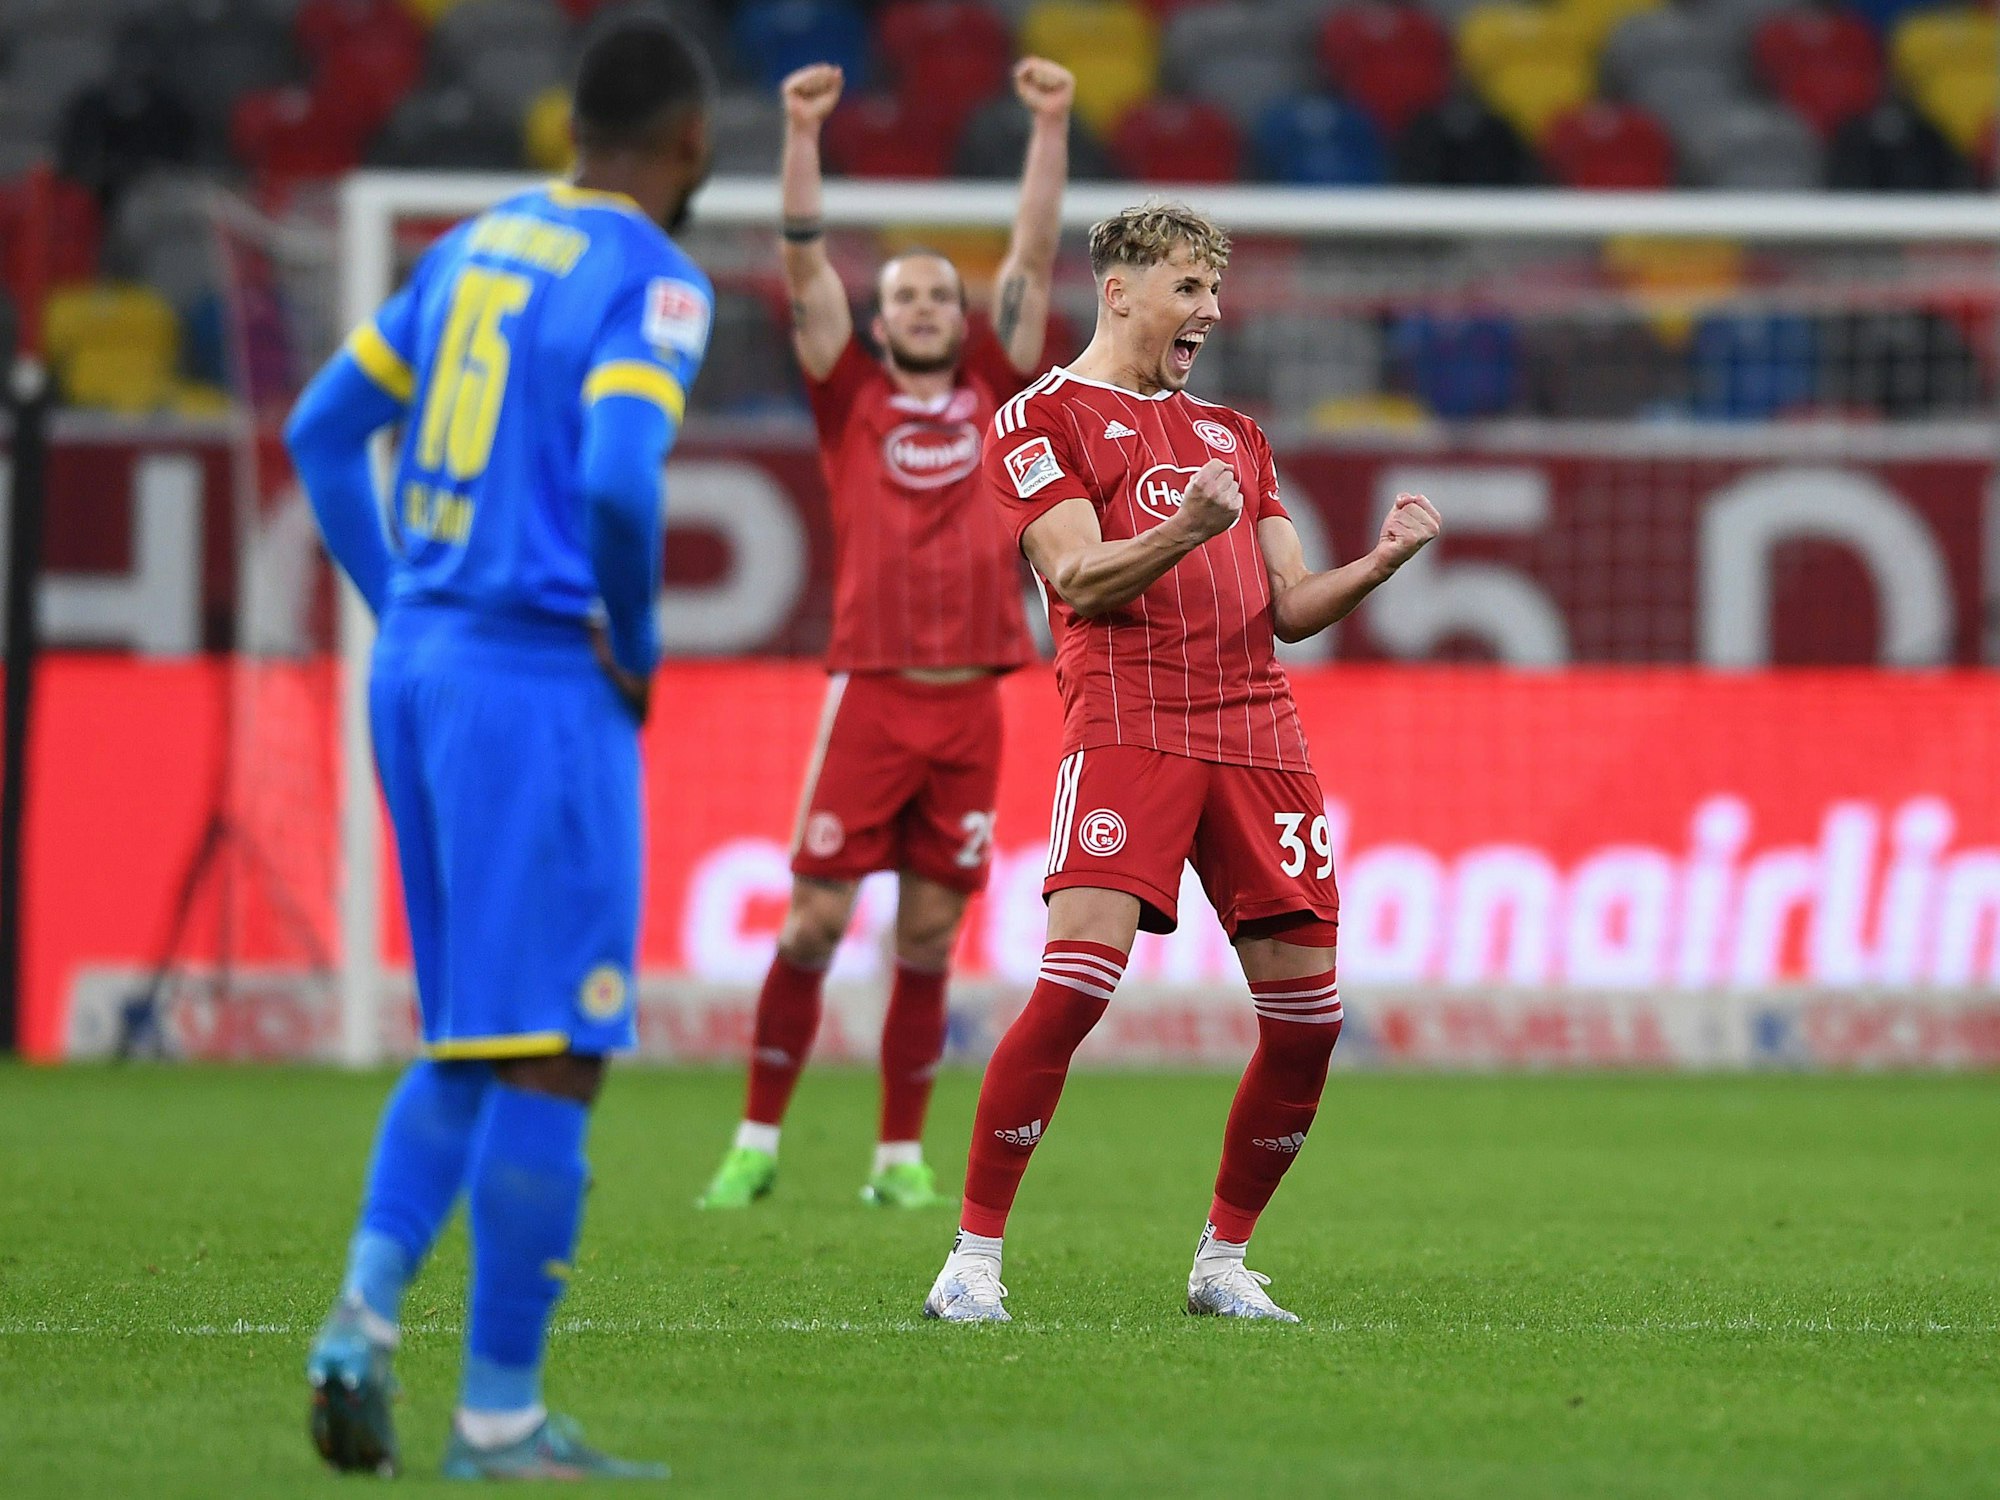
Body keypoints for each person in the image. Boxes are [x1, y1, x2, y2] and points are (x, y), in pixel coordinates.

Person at [284, 16, 715, 1477]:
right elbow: (616, 481)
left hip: (418, 670)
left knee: (479, 1025)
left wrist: (404, 596)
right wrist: (637, 648)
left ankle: (360, 1314)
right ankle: (501, 1417)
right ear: (690, 148)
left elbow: (321, 431)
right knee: (563, 1048)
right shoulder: (652, 279)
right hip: (535, 686)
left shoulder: (472, 243)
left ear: (568, 129)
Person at [922, 202, 1443, 1324]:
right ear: (1118, 291)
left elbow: (1291, 607)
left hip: (1259, 735)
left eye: (1211, 290)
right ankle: (969, 1260)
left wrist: (1382, 561)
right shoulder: (1038, 418)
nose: (1207, 311)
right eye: (1186, 290)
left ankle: (1221, 1262)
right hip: (1128, 726)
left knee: (1310, 1021)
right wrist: (1182, 533)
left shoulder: (1233, 438)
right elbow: (1076, 579)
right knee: (1074, 988)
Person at [696, 56, 1075, 1212]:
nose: (921, 307)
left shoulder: (998, 388)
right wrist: (799, 134)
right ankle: (756, 1139)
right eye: (903, 294)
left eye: (936, 296)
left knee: (926, 934)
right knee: (813, 919)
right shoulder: (845, 390)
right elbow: (800, 260)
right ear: (874, 317)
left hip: (972, 705)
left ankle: (897, 1161)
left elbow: (1034, 256)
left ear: (960, 320)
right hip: (869, 692)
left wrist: (1049, 126)